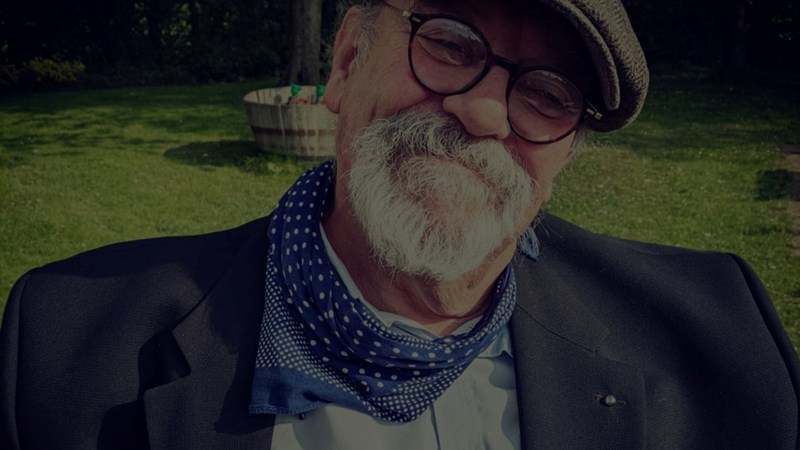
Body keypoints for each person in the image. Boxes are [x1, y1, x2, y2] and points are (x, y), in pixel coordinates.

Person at [1, 0, 798, 448]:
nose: (485, 114)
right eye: (450, 44)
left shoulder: (723, 337)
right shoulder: (66, 351)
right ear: (347, 59)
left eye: (547, 95)